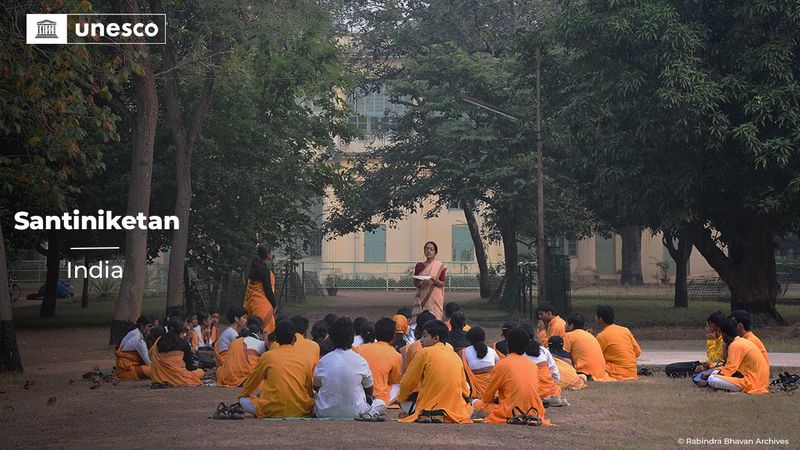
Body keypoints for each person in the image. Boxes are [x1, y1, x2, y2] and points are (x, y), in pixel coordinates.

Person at [397, 320, 473, 423]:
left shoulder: (424, 352)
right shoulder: (454, 355)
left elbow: (407, 383)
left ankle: (427, 413)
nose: (420, 340)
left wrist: (400, 399)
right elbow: (465, 390)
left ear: (436, 338)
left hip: (428, 408)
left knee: (404, 399)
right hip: (455, 411)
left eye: (424, 336)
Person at [472, 328, 551, 425]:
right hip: (534, 411)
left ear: (508, 345)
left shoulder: (502, 364)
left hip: (510, 412)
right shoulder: (533, 365)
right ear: (526, 347)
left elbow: (487, 398)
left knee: (476, 403)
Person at [313, 317, 387, 419]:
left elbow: (316, 386)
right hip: (357, 412)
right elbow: (369, 390)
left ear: (332, 339)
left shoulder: (324, 361)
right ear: (352, 339)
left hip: (324, 412)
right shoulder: (360, 360)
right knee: (380, 403)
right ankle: (371, 413)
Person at [238, 320, 315, 417]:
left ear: (276, 339)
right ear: (294, 339)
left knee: (243, 400)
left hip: (271, 408)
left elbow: (252, 382)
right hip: (300, 409)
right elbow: (308, 389)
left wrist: (243, 395)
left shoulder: (267, 356)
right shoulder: (304, 358)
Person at [702, 319, 769, 394]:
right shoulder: (741, 341)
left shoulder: (735, 345)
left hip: (751, 383)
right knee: (714, 373)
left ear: (724, 335)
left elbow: (730, 369)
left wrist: (708, 379)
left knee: (712, 379)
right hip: (759, 381)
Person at [356, 318, 403, 406]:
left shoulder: (359, 349)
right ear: (394, 337)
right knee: (400, 385)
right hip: (380, 398)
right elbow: (394, 380)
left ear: (376, 335)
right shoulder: (396, 355)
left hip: (360, 395)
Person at [149, 316, 204, 387]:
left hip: (159, 377)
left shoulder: (158, 341)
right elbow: (189, 366)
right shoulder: (183, 343)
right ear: (181, 329)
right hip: (178, 377)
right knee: (201, 372)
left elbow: (150, 355)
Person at [521, 324, 565, 406]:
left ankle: (540, 398)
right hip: (550, 390)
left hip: (531, 390)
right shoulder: (544, 350)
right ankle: (552, 397)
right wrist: (554, 386)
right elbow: (555, 372)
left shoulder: (519, 353)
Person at [595, 305, 641, 381]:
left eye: (596, 316)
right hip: (632, 372)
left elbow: (595, 357)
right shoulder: (625, 330)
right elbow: (638, 352)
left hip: (618, 372)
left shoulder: (602, 336)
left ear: (600, 319)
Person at [243, 243, 278, 334]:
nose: (272, 254)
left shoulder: (252, 267)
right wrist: (274, 304)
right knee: (265, 329)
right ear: (267, 254)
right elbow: (268, 289)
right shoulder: (264, 270)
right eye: (271, 252)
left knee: (252, 327)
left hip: (251, 302)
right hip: (262, 304)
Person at [563, 313, 608, 381]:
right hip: (601, 374)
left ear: (571, 326)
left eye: (566, 323)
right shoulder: (589, 335)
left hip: (585, 373)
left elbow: (562, 357)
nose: (564, 326)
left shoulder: (569, 336)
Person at [461, 327, 499, 399]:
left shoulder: (464, 352)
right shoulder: (492, 351)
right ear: (483, 338)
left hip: (474, 393)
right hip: (493, 393)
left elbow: (463, 373)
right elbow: (499, 369)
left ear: (469, 339)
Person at [412, 241, 447, 320]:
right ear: (424, 251)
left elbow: (442, 283)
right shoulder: (419, 266)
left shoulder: (439, 266)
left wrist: (435, 281)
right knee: (422, 318)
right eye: (427, 249)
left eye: (431, 249)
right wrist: (416, 279)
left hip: (435, 297)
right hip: (422, 295)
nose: (429, 251)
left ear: (435, 252)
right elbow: (416, 284)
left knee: (435, 319)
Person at [115, 314, 154, 380]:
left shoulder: (136, 333)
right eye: (149, 326)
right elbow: (148, 362)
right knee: (155, 370)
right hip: (127, 370)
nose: (151, 329)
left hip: (129, 367)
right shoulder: (139, 339)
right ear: (142, 325)